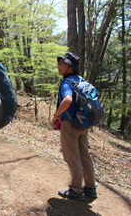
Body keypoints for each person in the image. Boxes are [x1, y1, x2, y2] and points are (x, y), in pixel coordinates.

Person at [53, 52, 97, 201]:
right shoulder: (81, 80)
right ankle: (90, 187)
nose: (58, 67)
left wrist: (56, 115)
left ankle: (76, 190)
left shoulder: (67, 82)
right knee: (85, 156)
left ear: (69, 67)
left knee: (72, 157)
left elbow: (67, 100)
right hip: (84, 125)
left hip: (70, 125)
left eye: (61, 64)